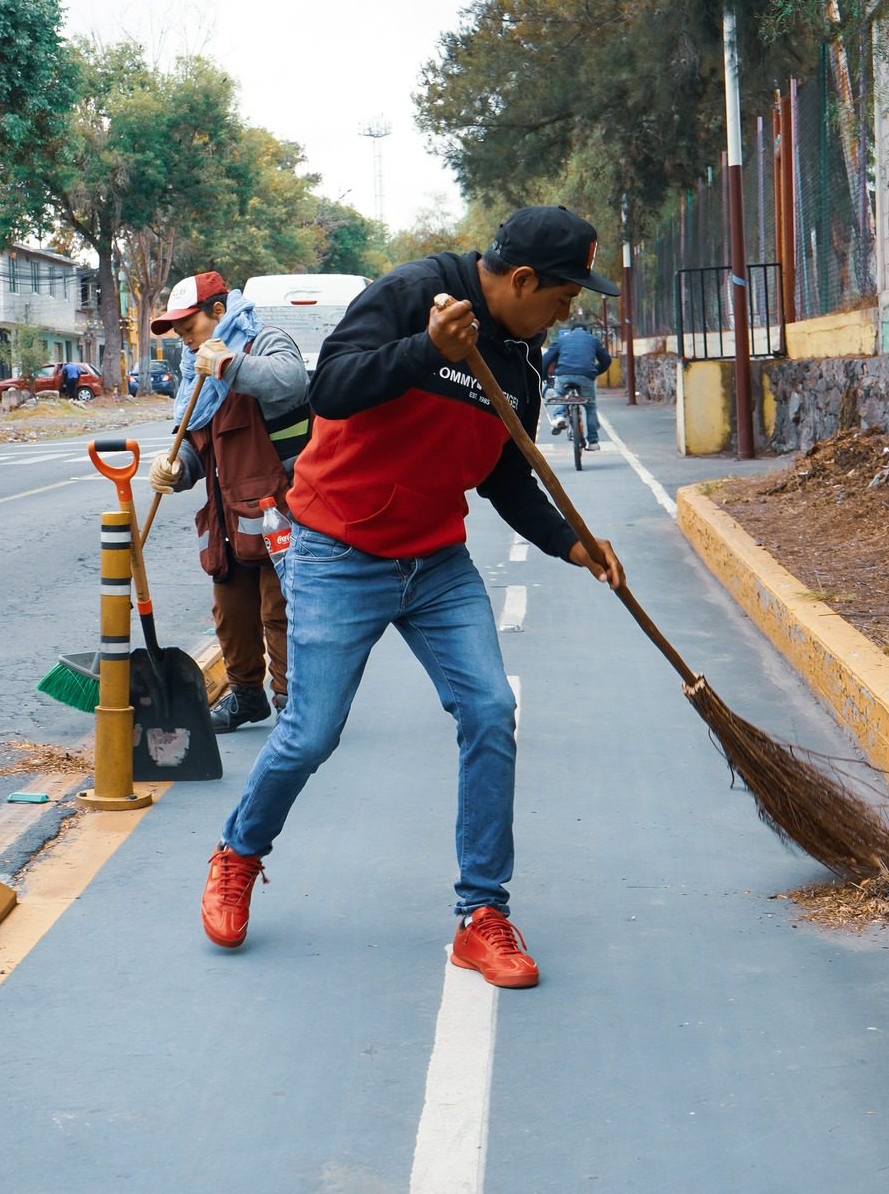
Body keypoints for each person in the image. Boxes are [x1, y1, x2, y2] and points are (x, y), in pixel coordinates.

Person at [199, 206, 626, 989]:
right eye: (563, 299)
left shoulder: (524, 361)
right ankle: (238, 853)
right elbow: (329, 389)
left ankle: (481, 915)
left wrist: (574, 542)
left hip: (434, 558)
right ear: (523, 280)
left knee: (491, 709)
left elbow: (504, 473)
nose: (566, 315)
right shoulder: (415, 292)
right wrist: (427, 349)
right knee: (311, 731)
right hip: (339, 548)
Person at [147, 271, 311, 731]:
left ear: (219, 313)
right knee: (230, 608)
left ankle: (290, 702)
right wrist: (175, 467)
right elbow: (197, 441)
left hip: (281, 505)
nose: (185, 341)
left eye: (189, 328)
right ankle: (245, 697)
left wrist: (227, 364)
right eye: (178, 334)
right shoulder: (194, 374)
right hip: (226, 512)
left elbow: (291, 381)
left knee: (279, 608)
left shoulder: (265, 343)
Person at [541, 321, 612, 449]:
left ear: (572, 330)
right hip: (586, 375)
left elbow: (546, 359)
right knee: (590, 407)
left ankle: (559, 417)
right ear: (586, 330)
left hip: (564, 375)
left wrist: (545, 377)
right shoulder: (593, 340)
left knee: (559, 394)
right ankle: (593, 442)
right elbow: (606, 360)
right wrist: (595, 371)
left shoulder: (562, 339)